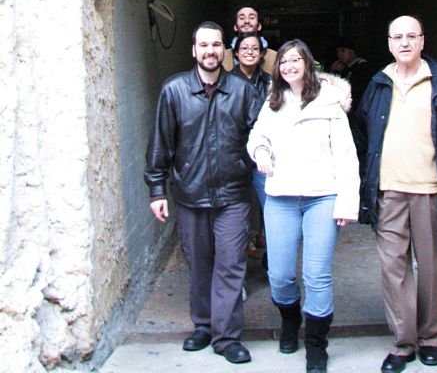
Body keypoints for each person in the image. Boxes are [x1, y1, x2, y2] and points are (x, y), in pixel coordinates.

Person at [353, 15, 437, 371]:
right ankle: (402, 343)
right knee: (393, 268)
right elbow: (363, 137)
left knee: (431, 268)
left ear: (423, 41)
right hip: (389, 193)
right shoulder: (378, 85)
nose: (405, 43)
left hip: (430, 192)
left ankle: (430, 338)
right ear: (389, 43)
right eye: (398, 37)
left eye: (412, 36)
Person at [144, 21, 262, 364]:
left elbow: (262, 136)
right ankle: (204, 325)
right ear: (194, 50)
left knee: (230, 264)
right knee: (199, 265)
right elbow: (160, 144)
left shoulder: (242, 91)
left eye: (216, 45)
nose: (210, 51)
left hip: (233, 196)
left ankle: (227, 337)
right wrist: (157, 189)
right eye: (203, 45)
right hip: (190, 195)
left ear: (224, 51)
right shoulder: (174, 91)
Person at [247, 39, 360, 373]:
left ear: (308, 64)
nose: (290, 66)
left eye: (297, 60)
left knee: (316, 274)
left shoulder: (328, 102)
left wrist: (347, 202)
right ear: (278, 68)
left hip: (322, 197)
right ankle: (289, 319)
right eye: (284, 61)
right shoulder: (273, 102)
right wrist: (262, 152)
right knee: (279, 275)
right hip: (280, 197)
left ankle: (315, 344)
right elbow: (257, 136)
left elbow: (346, 154)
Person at [230, 31, 272, 266]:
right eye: (244, 48)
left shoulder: (271, 81)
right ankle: (239, 270)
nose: (249, 52)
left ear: (262, 53)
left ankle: (272, 264)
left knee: (272, 211)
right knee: (236, 217)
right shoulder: (225, 81)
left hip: (263, 158)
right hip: (234, 158)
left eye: (254, 48)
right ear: (236, 53)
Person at [223, 4, 277, 74]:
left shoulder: (275, 57)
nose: (247, 21)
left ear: (259, 26)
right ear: (235, 27)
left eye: (251, 18)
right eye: (242, 18)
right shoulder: (223, 57)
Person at [329, 36, 372, 116]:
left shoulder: (363, 67)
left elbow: (358, 91)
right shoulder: (343, 68)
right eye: (338, 52)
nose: (340, 55)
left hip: (357, 112)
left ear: (352, 51)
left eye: (343, 51)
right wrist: (333, 72)